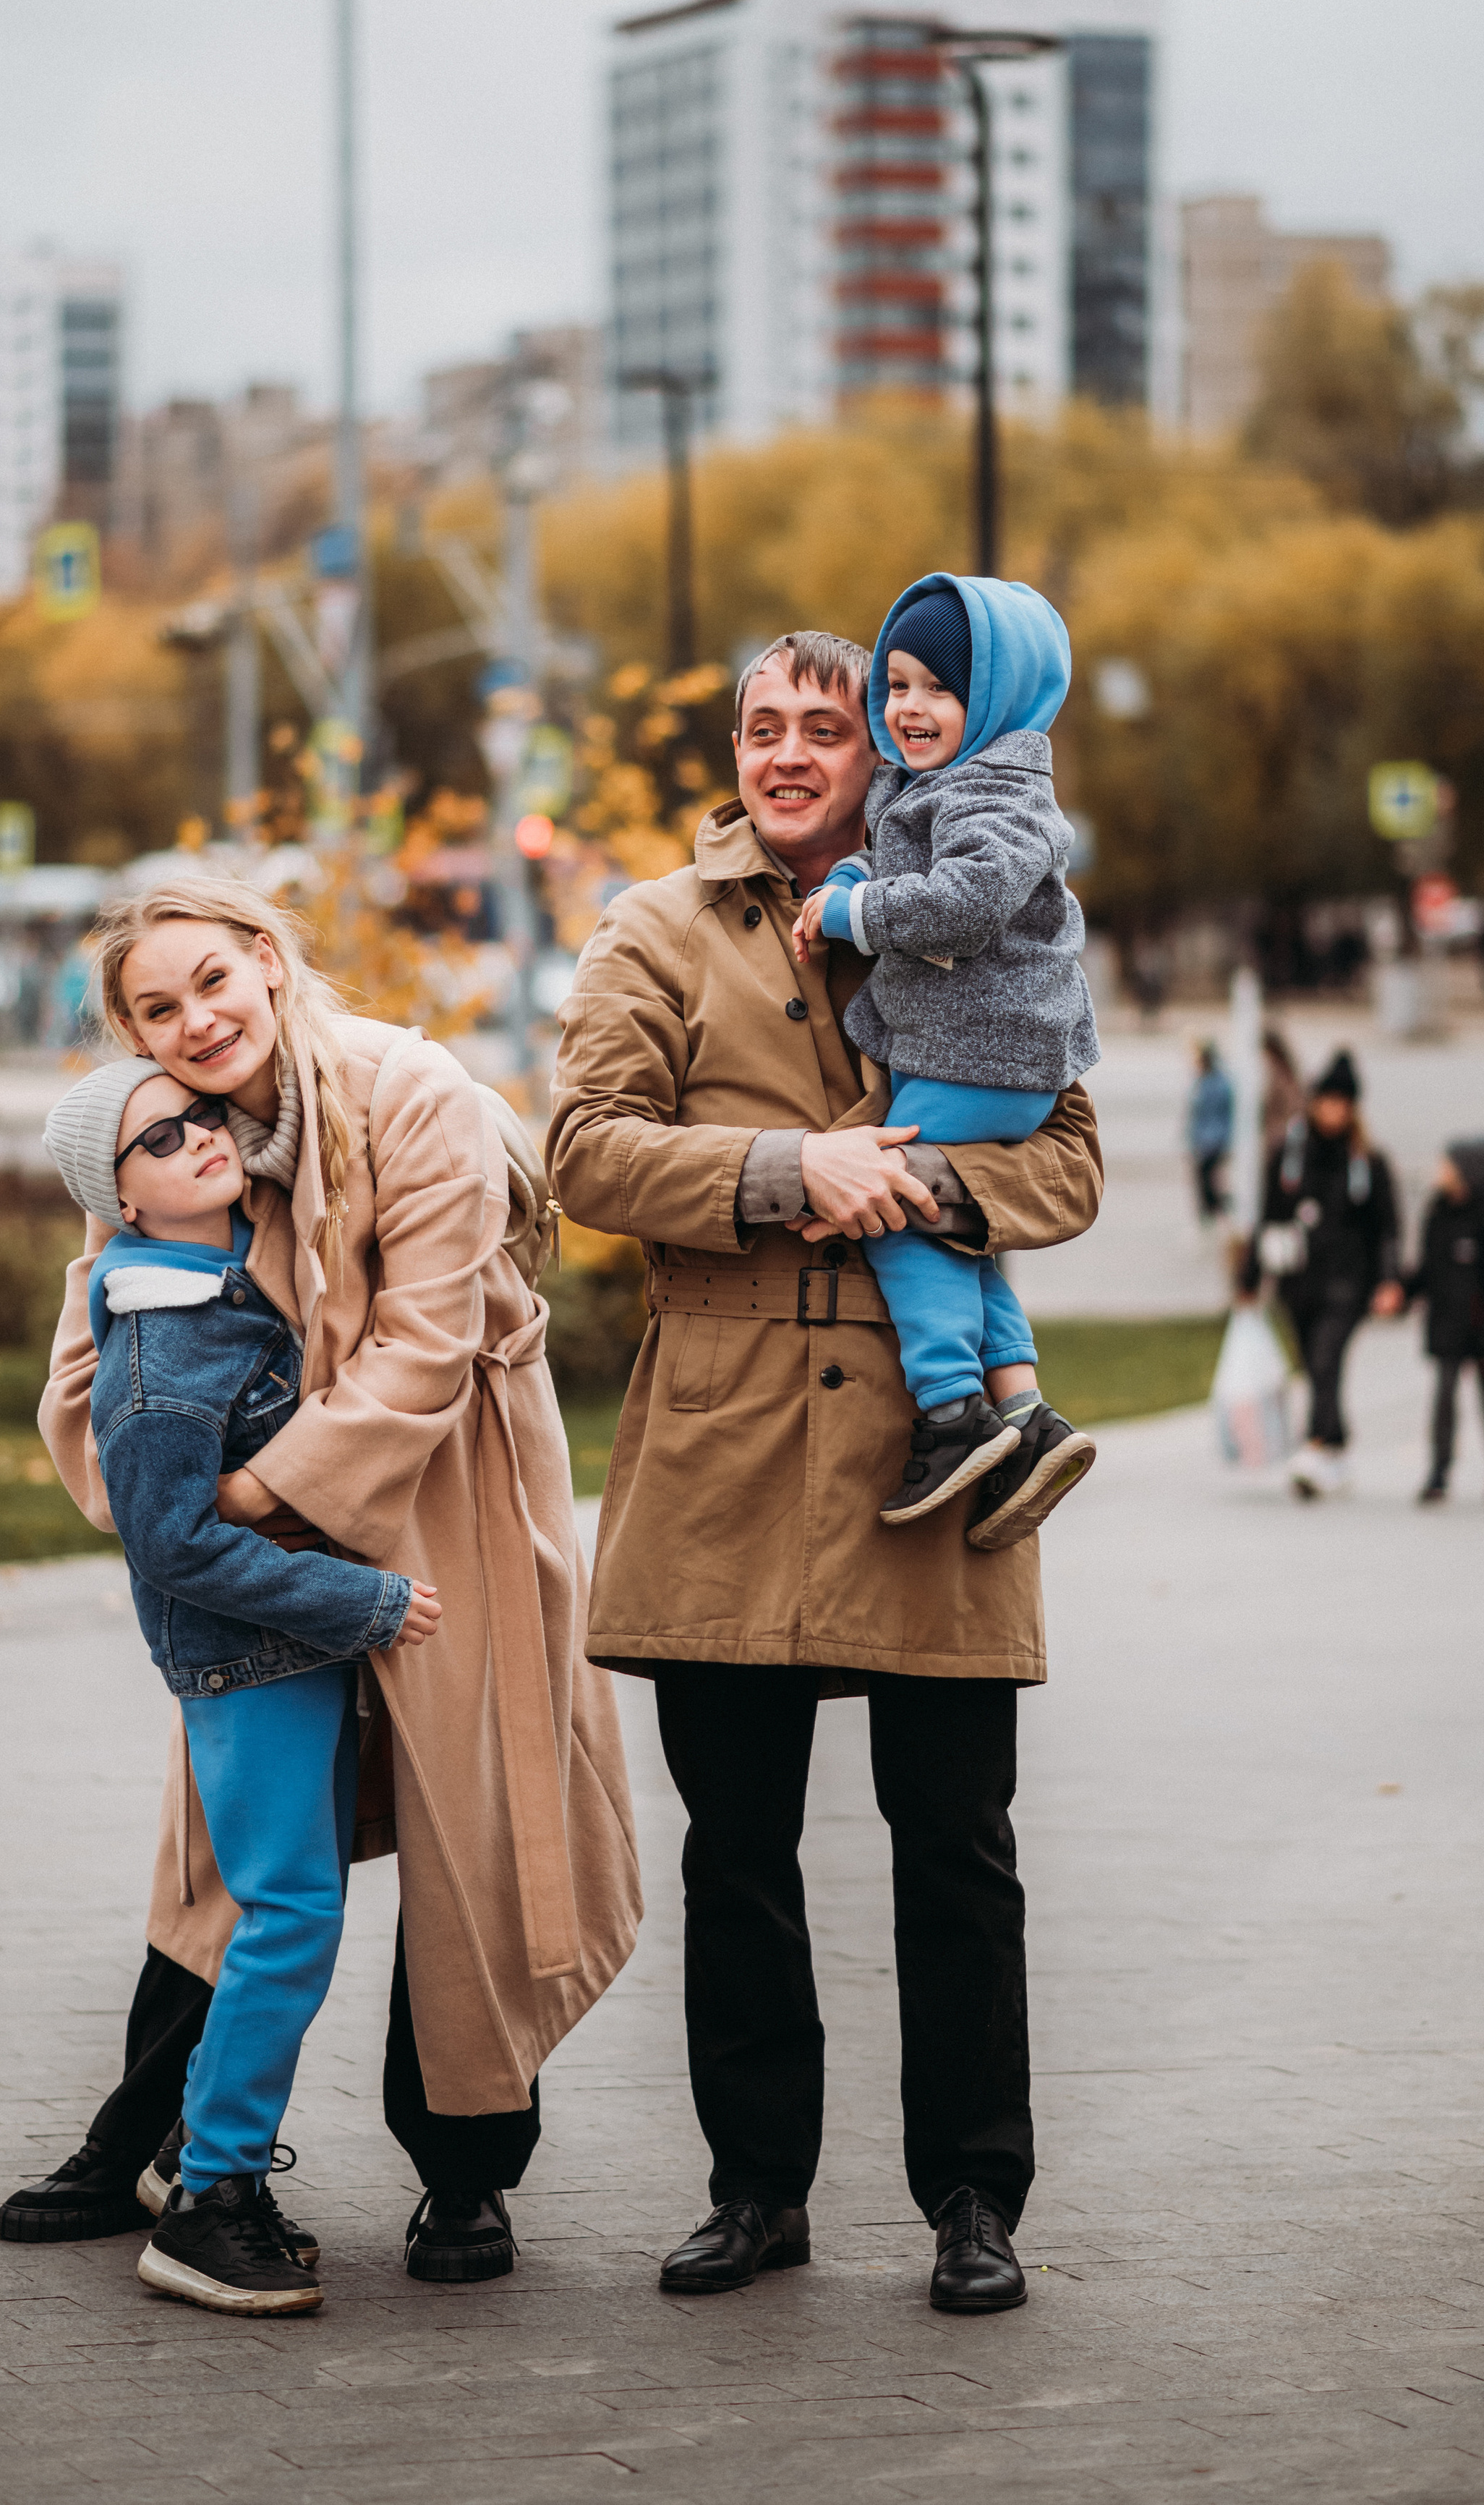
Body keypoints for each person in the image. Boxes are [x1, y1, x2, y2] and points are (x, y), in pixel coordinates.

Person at [547, 629, 1104, 2316]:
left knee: (956, 1839)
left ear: (890, 736)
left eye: (827, 721)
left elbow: (1066, 1160)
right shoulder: (652, 926)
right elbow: (580, 1149)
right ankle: (754, 2189)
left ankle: (970, 2198)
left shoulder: (982, 895)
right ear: (729, 746)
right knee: (737, 1844)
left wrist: (925, 1190)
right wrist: (798, 1166)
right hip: (722, 1448)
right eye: (761, 726)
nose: (790, 750)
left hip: (933, 1455)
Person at [0, 877, 640, 2283]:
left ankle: (467, 2172)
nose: (194, 1020)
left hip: (446, 1486)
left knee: (462, 1815)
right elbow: (93, 1360)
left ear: (270, 965)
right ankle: (147, 2134)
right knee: (237, 1842)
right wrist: (172, 1513)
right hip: (271, 1533)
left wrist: (235, 1500)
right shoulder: (164, 1141)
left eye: (212, 981)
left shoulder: (414, 1096)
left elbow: (425, 1341)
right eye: (156, 1008)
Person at [39, 1058, 440, 2313]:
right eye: (160, 1137)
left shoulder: (221, 1278)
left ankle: (201, 2156)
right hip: (253, 1660)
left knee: (290, 1913)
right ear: (123, 1196)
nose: (200, 1135)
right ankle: (210, 2194)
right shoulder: (162, 1337)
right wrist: (363, 1603)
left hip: (288, 1655)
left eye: (201, 1112)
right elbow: (169, 1540)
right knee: (287, 1920)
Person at [793, 573, 1099, 1531]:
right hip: (973, 1051)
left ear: (997, 695)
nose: (910, 708)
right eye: (897, 684)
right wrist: (852, 874)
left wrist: (851, 910)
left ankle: (951, 1414)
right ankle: (1024, 1414)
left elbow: (961, 901)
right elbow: (894, 859)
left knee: (893, 1205)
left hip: (989, 1053)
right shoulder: (930, 784)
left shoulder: (999, 793)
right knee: (961, 1235)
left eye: (938, 688)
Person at [1245, 1047, 1402, 1500]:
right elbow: (1268, 1216)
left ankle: (1315, 1446)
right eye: (1326, 1100)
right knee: (1316, 1367)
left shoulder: (1368, 1162)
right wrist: (1250, 1279)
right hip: (1298, 1282)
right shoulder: (1289, 1155)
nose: (1333, 1111)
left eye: (1341, 1102)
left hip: (1351, 1281)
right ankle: (1337, 1445)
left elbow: (1388, 1227)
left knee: (1327, 1356)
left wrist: (1391, 1280)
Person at [1404, 1136, 1484, 1503]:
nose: (1441, 1172)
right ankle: (1439, 1471)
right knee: (1444, 1396)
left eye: (1448, 1166)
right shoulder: (1438, 1212)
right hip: (1447, 1323)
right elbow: (1427, 1268)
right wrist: (1403, 1293)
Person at [1185, 1042, 1234, 1222]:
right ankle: (1213, 1208)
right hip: (1206, 1138)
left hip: (1214, 1139)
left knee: (1208, 1177)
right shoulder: (1205, 1081)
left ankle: (1216, 1207)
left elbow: (1221, 1112)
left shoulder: (1217, 1084)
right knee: (1206, 1177)